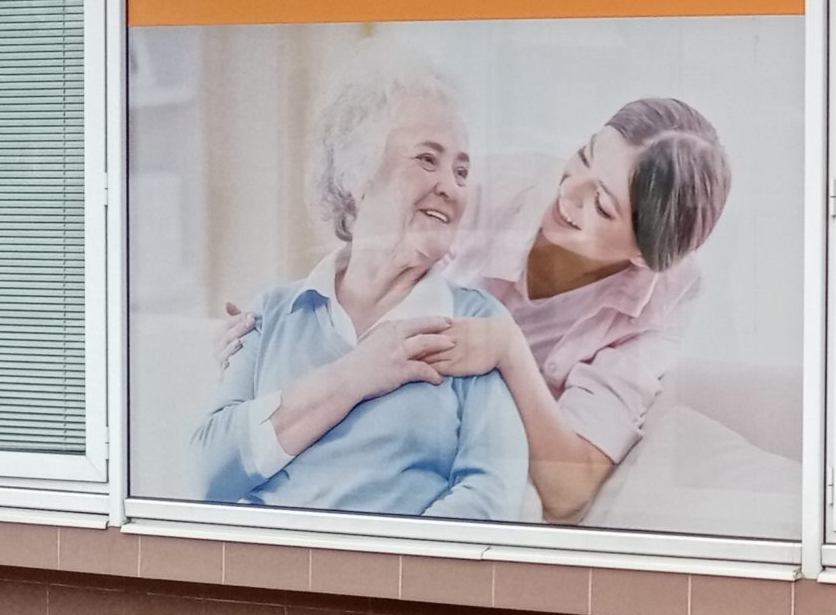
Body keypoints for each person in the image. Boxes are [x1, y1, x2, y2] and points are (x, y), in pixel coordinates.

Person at [220, 98, 732, 524]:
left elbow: (567, 489)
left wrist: (507, 348)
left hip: (476, 451)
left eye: (601, 205)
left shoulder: (666, 294)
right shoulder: (490, 189)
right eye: (583, 156)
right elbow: (361, 273)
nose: (568, 191)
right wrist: (264, 333)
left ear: (645, 255)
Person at [192, 57, 529, 520]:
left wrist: (373, 559)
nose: (450, 187)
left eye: (461, 172)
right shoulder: (273, 313)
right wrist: (356, 374)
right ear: (356, 172)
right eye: (427, 159)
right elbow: (209, 473)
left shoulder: (474, 323)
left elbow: (490, 496)